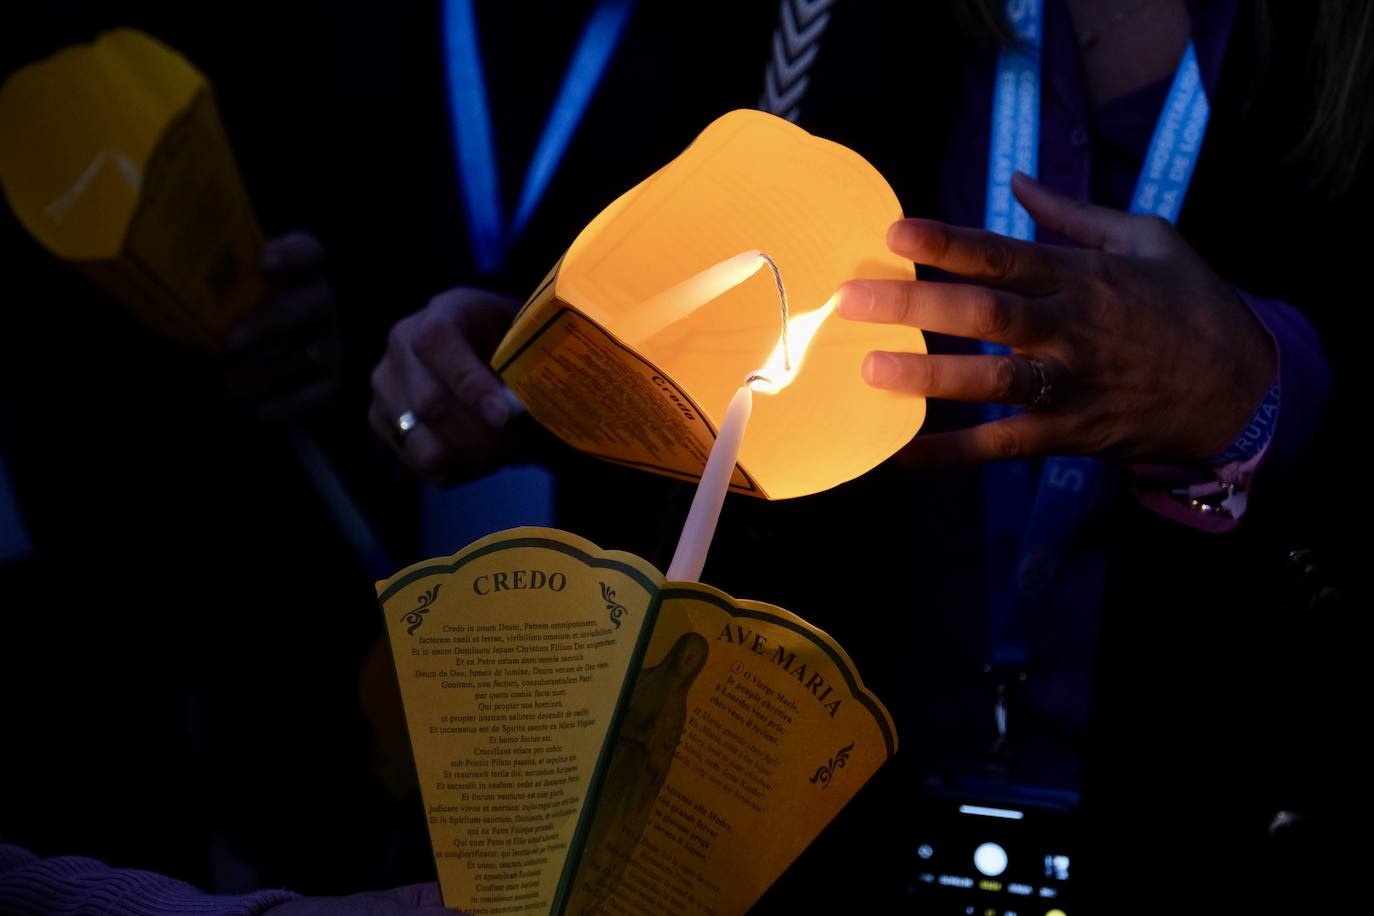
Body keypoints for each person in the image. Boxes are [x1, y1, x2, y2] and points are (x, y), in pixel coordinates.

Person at [370, 1, 1365, 909]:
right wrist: (568, 373)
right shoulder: (798, 20)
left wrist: (1261, 397)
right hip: (797, 833)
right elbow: (707, 314)